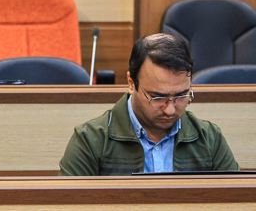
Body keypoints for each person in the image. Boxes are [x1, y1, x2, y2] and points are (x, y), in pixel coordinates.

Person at [59, 33, 238, 175]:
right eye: (158, 97)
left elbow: (236, 200)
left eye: (181, 95)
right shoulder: (91, 140)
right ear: (131, 83)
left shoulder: (209, 138)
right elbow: (69, 203)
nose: (170, 110)